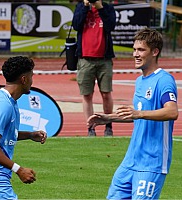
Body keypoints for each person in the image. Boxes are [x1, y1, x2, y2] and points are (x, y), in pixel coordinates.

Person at [87, 28, 178, 199]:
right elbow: (136, 113)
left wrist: (139, 114)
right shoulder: (140, 81)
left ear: (155, 52)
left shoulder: (164, 80)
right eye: (134, 50)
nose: (136, 54)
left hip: (151, 164)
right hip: (130, 161)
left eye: (141, 50)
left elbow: (172, 111)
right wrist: (109, 118)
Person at [0, 56, 47, 199]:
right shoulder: (3, 105)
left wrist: (30, 135)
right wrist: (19, 170)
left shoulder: (9, 101)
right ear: (24, 79)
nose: (32, 81)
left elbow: (4, 136)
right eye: (31, 76)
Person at [72, 0, 116, 136]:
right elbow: (76, 25)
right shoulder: (80, 7)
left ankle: (108, 125)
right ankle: (90, 127)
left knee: (106, 93)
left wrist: (100, 8)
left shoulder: (108, 8)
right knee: (87, 95)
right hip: (85, 59)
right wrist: (85, 7)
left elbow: (110, 26)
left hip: (104, 59)